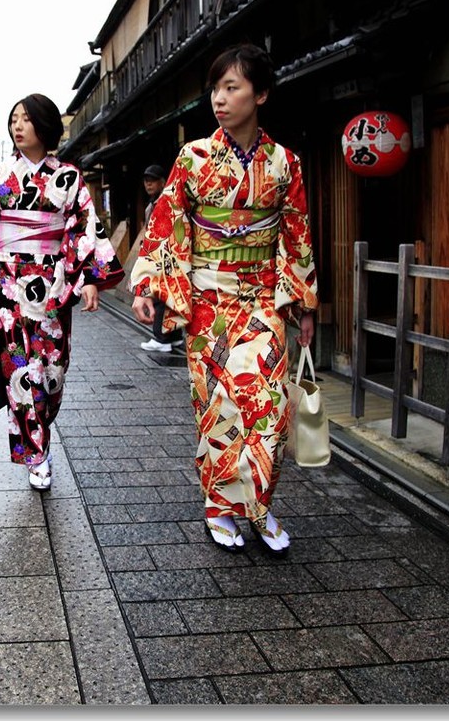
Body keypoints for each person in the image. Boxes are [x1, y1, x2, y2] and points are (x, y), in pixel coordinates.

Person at [130, 43, 318, 554]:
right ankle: (220, 507)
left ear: (260, 94)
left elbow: (295, 233)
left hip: (261, 299)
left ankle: (258, 506)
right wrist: (153, 286)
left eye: (231, 87)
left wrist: (300, 306)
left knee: (269, 407)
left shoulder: (285, 164)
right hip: (208, 301)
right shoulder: (193, 159)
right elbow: (168, 223)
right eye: (216, 88)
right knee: (218, 407)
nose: (219, 98)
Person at [0, 93, 124, 490]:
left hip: (52, 284)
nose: (18, 126)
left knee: (51, 372)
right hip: (6, 285)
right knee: (19, 371)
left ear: (46, 126)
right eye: (14, 120)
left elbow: (83, 227)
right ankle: (36, 455)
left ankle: (42, 430)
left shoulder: (68, 176)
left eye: (26, 119)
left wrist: (88, 278)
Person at [137, 164, 183, 353]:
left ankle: (161, 337)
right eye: (146, 181)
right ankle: (174, 336)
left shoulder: (166, 201)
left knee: (160, 295)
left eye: (153, 181)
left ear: (163, 182)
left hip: (164, 254)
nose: (148, 184)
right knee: (168, 295)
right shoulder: (154, 202)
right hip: (163, 253)